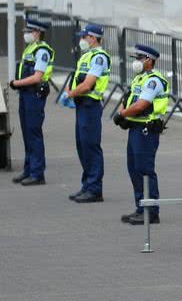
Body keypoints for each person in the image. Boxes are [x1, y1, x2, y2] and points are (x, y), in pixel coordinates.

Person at [114, 44, 169, 225]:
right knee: (134, 169)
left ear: (149, 60)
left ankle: (151, 211)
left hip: (146, 130)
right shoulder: (139, 79)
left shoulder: (153, 80)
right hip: (135, 129)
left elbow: (142, 105)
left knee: (145, 170)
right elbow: (128, 99)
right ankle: (141, 207)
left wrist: (122, 114)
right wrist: (123, 112)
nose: (136, 61)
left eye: (139, 58)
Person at [62, 23, 111, 203]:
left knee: (90, 146)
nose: (81, 40)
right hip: (82, 105)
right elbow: (78, 79)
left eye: (84, 37)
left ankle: (95, 188)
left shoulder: (99, 57)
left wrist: (70, 93)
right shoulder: (87, 56)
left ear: (92, 37)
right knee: (82, 146)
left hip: (90, 105)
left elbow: (88, 84)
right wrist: (71, 89)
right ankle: (87, 185)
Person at [9, 19, 54, 186]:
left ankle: (37, 173)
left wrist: (16, 83)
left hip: (34, 95)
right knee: (27, 133)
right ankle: (28, 169)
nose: (25, 34)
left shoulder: (42, 51)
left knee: (34, 133)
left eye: (29, 31)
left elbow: (37, 76)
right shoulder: (30, 48)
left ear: (37, 32)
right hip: (25, 95)